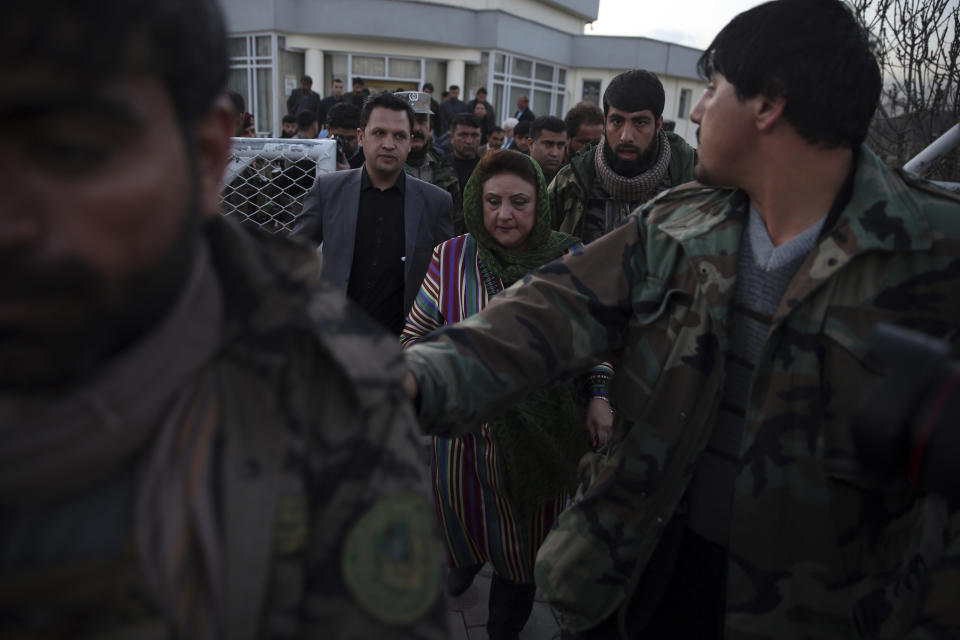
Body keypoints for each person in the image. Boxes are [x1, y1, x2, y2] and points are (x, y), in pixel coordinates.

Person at [401, 0, 960, 638]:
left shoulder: (935, 252)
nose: (694, 111)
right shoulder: (679, 223)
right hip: (644, 580)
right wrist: (413, 380)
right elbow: (548, 311)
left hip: (816, 613)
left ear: (768, 104)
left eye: (711, 89)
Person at [0, 0, 449, 638]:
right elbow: (300, 239)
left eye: (69, 152)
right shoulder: (333, 192)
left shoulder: (335, 406)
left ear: (207, 154)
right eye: (378, 132)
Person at [400, 150, 598, 640]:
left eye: (519, 202)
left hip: (540, 445)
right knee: (461, 524)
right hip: (461, 440)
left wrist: (599, 394)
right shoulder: (451, 258)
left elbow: (597, 344)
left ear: (540, 204)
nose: (504, 215)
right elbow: (413, 336)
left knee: (520, 553)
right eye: (492, 202)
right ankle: (464, 565)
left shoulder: (568, 260)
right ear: (475, 201)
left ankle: (504, 624)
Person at [294, 91, 455, 336]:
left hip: (404, 347)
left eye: (399, 135)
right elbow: (292, 253)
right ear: (361, 136)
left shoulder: (436, 203)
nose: (389, 144)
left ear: (410, 142)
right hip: (337, 342)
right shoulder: (328, 190)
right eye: (379, 133)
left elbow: (447, 281)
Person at [550, 69, 697, 244]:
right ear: (605, 122)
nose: (626, 136)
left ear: (658, 124)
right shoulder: (570, 182)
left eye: (640, 122)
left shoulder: (695, 180)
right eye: (617, 121)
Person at [398, 91, 464, 234]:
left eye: (422, 121)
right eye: (409, 121)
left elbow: (455, 222)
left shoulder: (444, 167)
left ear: (430, 128)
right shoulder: (384, 169)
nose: (416, 128)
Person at [444, 113, 483, 195]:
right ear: (451, 137)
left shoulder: (488, 168)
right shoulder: (440, 167)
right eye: (463, 135)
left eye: (474, 135)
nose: (469, 141)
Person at [526, 115, 568, 185]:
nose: (555, 153)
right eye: (548, 145)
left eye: (560, 146)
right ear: (531, 144)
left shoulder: (571, 180)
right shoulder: (515, 175)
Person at [326, 102, 364, 169]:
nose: (344, 144)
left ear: (360, 134)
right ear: (328, 130)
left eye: (350, 138)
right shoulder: (314, 153)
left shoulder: (368, 159)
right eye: (339, 138)